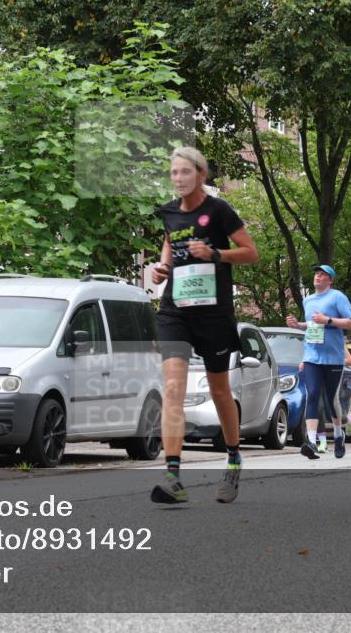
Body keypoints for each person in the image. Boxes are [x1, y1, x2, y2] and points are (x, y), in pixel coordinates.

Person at [150, 147, 258, 505]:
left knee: (220, 392)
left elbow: (250, 252)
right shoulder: (168, 212)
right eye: (173, 173)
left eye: (184, 172)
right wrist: (163, 267)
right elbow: (170, 244)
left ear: (200, 174)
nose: (177, 178)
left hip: (213, 315)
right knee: (173, 389)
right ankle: (173, 475)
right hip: (175, 311)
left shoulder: (219, 210)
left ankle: (233, 457)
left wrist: (215, 255)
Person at [286, 265, 351, 460]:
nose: (318, 277)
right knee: (313, 394)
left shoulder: (337, 297)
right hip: (311, 356)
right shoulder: (308, 300)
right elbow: (312, 324)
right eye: (317, 274)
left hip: (333, 357)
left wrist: (328, 320)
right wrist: (298, 325)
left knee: (330, 399)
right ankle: (310, 442)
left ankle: (338, 433)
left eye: (323, 275)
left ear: (330, 280)